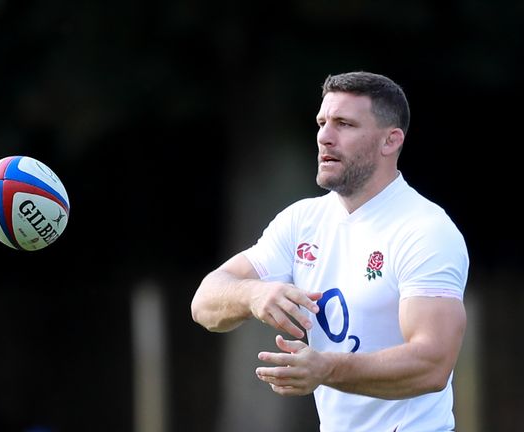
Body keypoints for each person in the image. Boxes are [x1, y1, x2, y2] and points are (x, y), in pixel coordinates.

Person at [190, 71, 469, 431]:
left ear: (390, 141)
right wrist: (253, 293)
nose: (325, 136)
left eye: (345, 124)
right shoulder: (302, 221)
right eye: (322, 122)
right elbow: (204, 304)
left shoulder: (425, 230)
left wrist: (326, 368)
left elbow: (433, 364)